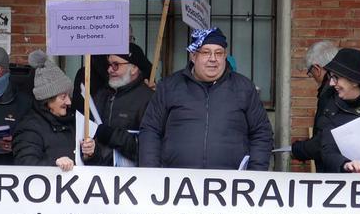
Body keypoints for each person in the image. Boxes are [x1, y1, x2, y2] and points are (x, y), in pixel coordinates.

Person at [139, 28, 273, 171]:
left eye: (219, 53)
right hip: (176, 182)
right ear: (193, 56)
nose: (213, 59)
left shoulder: (244, 88)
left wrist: (255, 175)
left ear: (225, 56)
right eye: (206, 52)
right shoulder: (169, 86)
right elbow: (151, 130)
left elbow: (261, 133)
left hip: (231, 184)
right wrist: (151, 172)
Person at [14, 52, 106, 170]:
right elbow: (25, 164)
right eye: (63, 97)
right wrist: (54, 164)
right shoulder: (29, 128)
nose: (69, 102)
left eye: (68, 96)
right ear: (47, 99)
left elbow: (97, 165)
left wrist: (91, 154)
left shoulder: (75, 121)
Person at [91, 43, 154, 166]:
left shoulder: (149, 99)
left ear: (134, 68)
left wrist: (111, 135)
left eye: (116, 65)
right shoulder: (100, 95)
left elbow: (148, 149)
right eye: (109, 65)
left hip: (131, 179)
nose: (110, 69)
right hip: (96, 175)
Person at [290, 40, 338, 168]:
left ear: (317, 69)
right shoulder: (344, 89)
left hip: (334, 168)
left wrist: (299, 149)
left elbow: (324, 140)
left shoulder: (330, 93)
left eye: (310, 73)